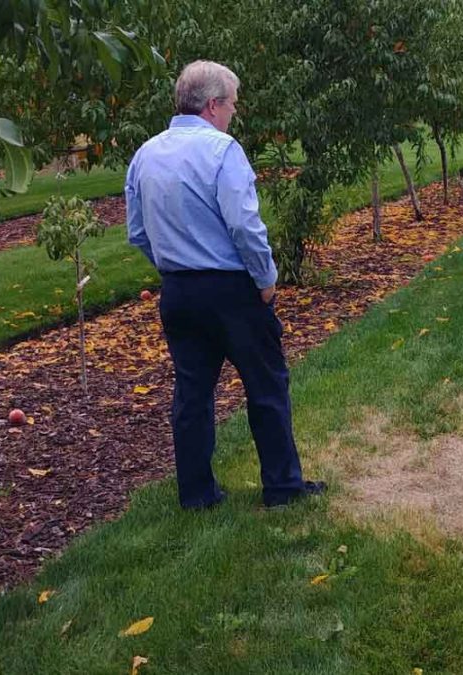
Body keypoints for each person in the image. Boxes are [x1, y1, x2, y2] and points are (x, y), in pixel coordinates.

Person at [125, 60, 325, 510]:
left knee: (192, 394)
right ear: (214, 105)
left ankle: (196, 495)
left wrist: (174, 265)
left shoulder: (146, 153)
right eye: (233, 104)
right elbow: (245, 226)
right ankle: (282, 487)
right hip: (232, 291)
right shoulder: (222, 150)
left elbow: (137, 232)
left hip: (178, 292)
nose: (234, 113)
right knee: (266, 385)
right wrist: (266, 280)